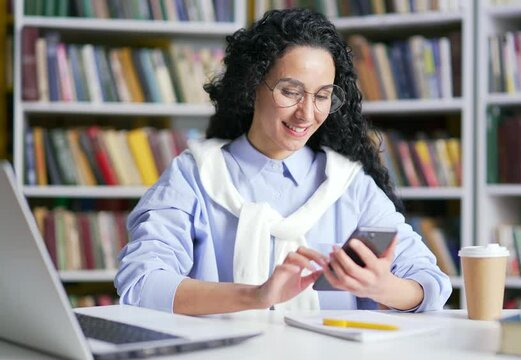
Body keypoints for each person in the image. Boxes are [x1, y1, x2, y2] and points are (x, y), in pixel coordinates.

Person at [115, 8, 451, 315]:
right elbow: (141, 283)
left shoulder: (349, 187)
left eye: (322, 96)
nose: (307, 113)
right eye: (290, 92)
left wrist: (384, 287)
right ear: (252, 86)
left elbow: (431, 284)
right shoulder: (195, 175)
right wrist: (256, 296)